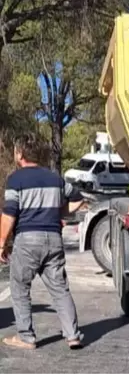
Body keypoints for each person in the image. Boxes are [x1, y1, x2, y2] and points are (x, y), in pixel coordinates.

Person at [0, 133, 85, 350]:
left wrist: (1, 242)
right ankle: (73, 335)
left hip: (27, 240)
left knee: (19, 287)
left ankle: (26, 337)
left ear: (19, 154)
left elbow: (9, 214)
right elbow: (78, 198)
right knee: (60, 288)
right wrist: (59, 214)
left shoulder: (15, 180)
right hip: (54, 239)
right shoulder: (55, 178)